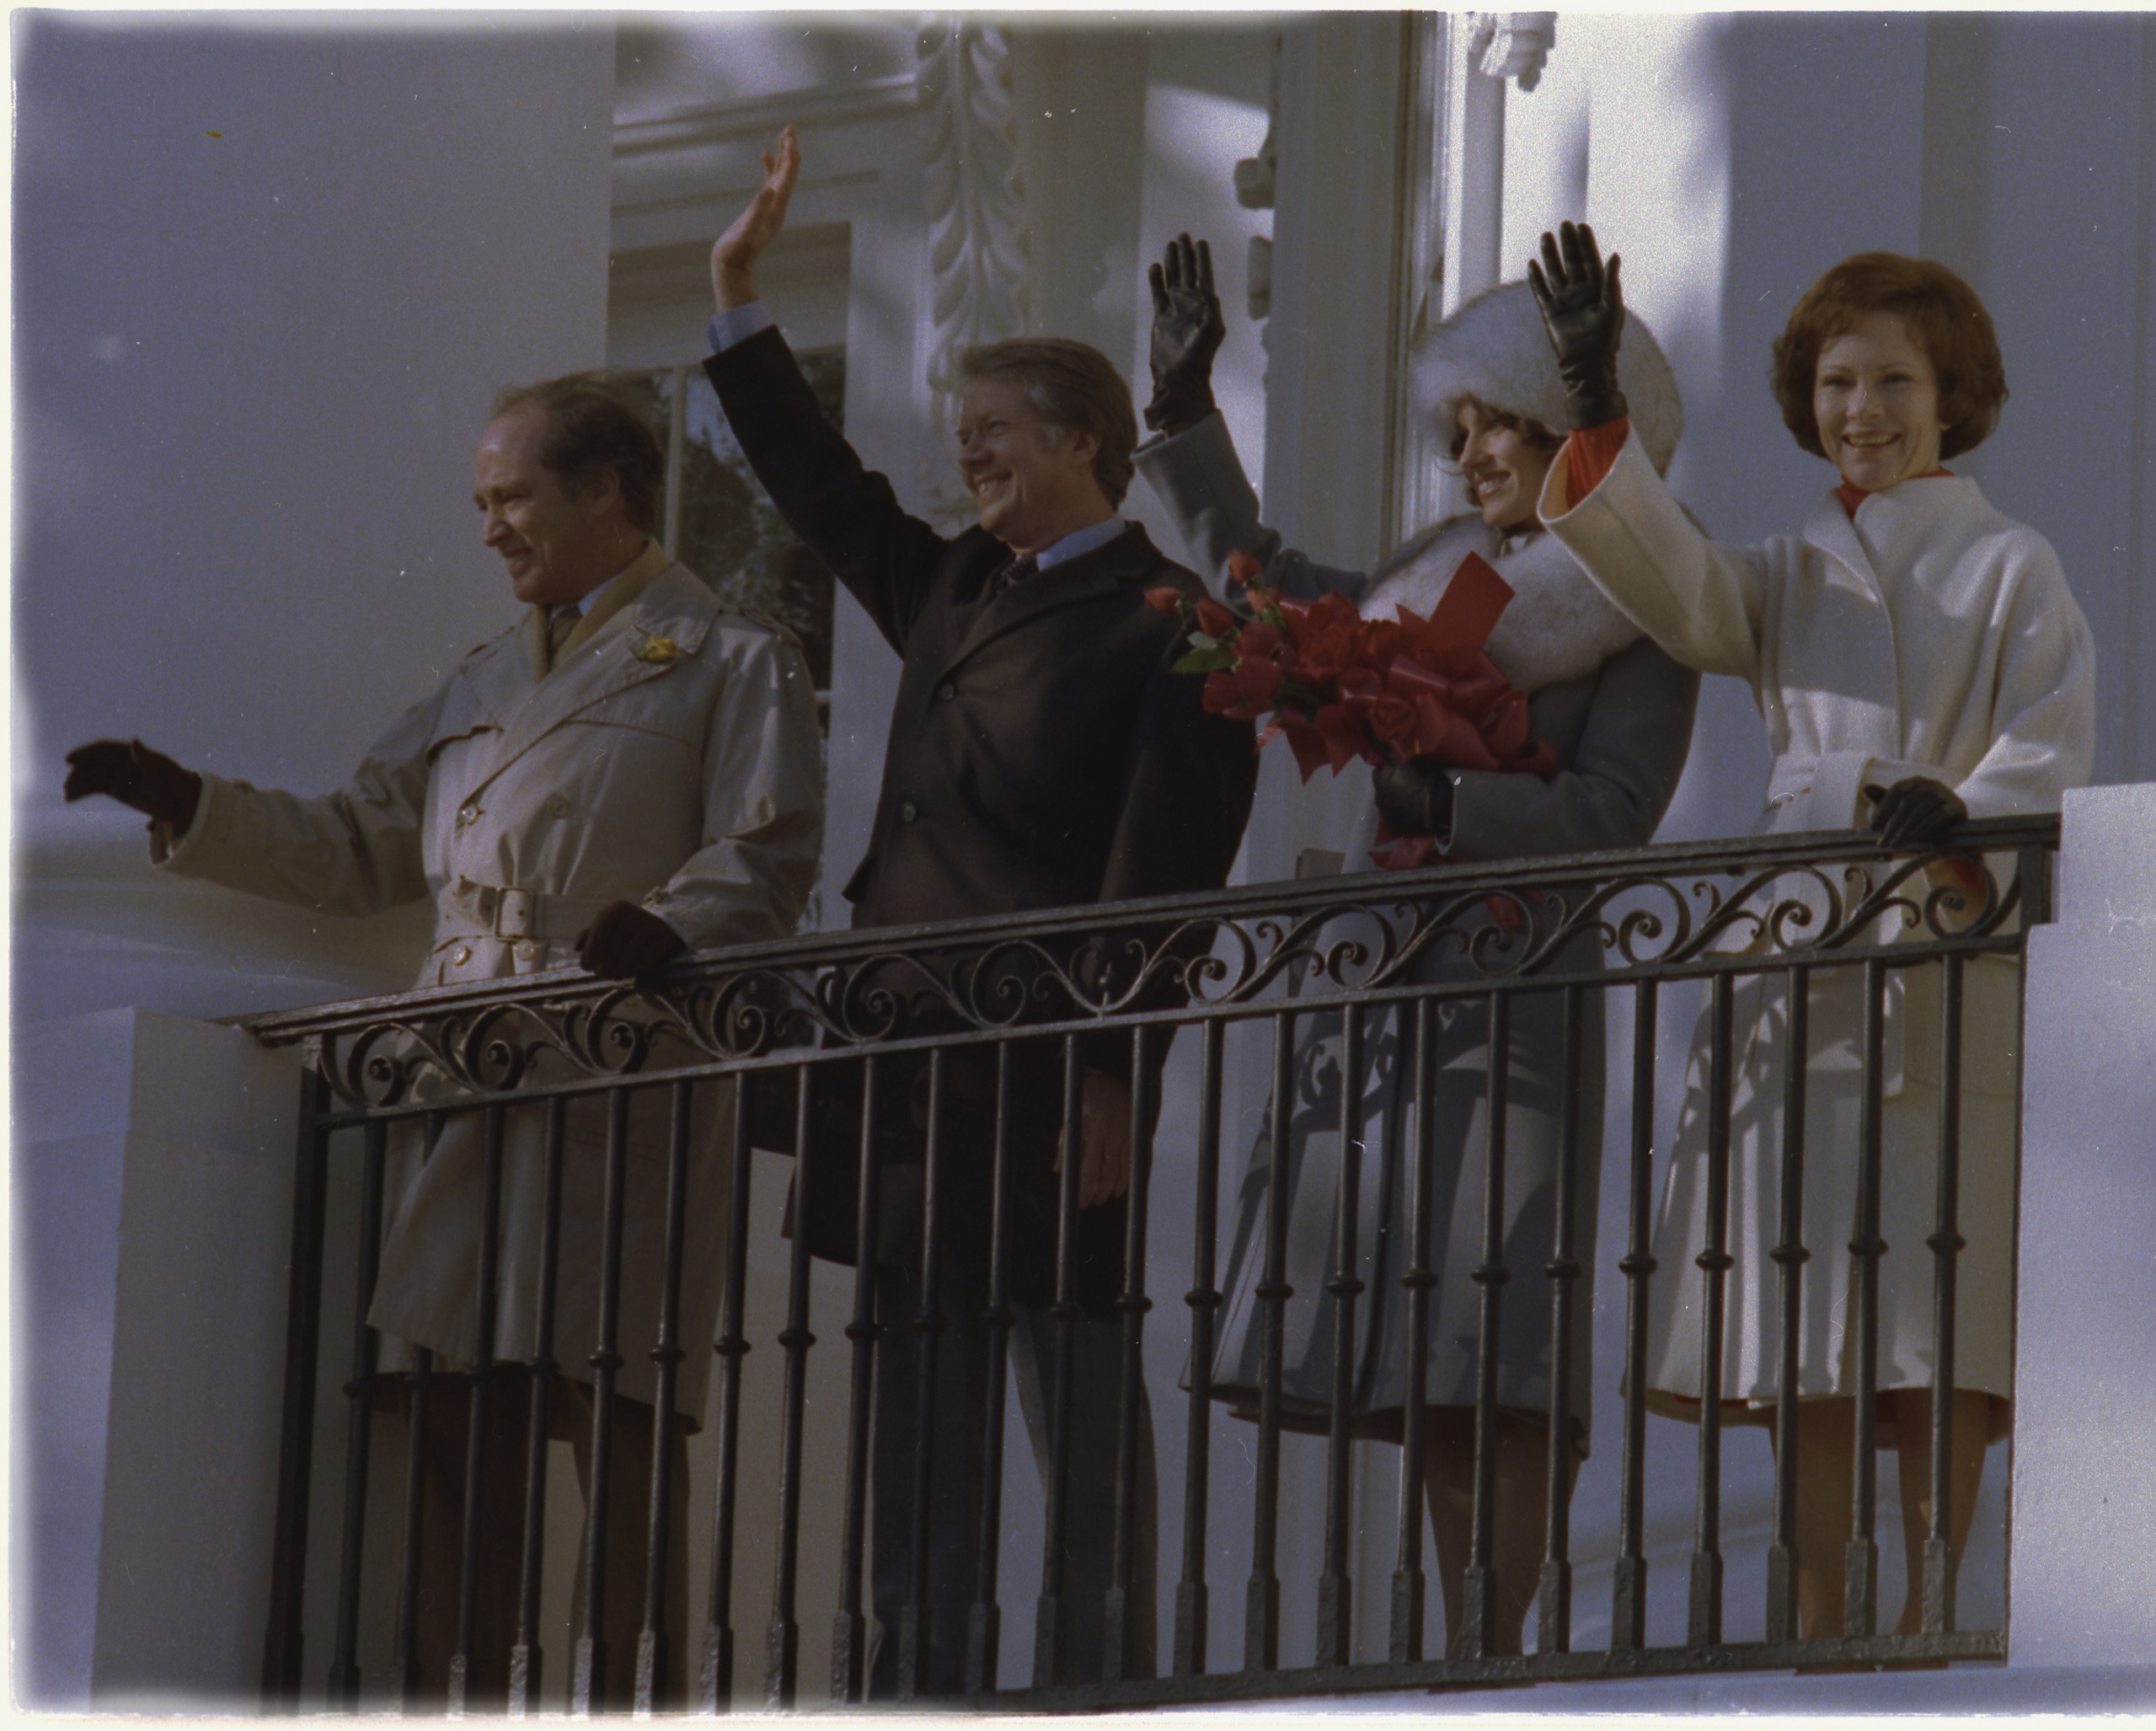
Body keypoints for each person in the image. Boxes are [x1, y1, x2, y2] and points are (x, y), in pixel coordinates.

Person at [63, 376, 827, 1706]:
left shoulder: (731, 656)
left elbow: (768, 854)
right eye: (480, 502)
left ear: (604, 491)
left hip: (619, 1069)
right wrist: (193, 802)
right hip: (463, 1071)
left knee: (620, 1416)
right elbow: (362, 842)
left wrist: (669, 918)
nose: (489, 528)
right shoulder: (479, 677)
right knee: (451, 1420)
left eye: (511, 495)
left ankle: (631, 1704)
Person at [702, 131, 1257, 1695]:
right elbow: (822, 493)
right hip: (900, 1057)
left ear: (1086, 441)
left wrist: (1111, 1071)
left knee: (1072, 1388)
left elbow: (1171, 872)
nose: (970, 459)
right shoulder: (952, 585)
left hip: (1039, 1061)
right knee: (913, 1402)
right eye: (963, 437)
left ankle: (1104, 1676)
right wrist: (740, 300)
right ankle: (912, 1687)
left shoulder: (1175, 622)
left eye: (998, 433)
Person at [1133, 236, 1703, 1657]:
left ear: (1558, 421)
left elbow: (1613, 816)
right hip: (1387, 999)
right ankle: (1455, 1654)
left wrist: (1450, 797)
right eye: (1454, 433)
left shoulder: (1648, 607)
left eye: (1487, 425)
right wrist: (1184, 415)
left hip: (1518, 1001)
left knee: (1497, 1347)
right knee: (1416, 1349)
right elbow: (1278, 598)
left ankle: (1492, 1651)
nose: (1463, 459)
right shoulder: (1437, 575)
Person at [1527, 226, 2096, 1640]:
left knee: (1933, 1306)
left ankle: (1928, 1603)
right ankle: (1822, 1606)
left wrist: (1959, 807)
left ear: (1952, 394)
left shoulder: (2014, 566)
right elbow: (1678, 593)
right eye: (1840, 381)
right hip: (1796, 966)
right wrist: (1598, 401)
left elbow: (2056, 746)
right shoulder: (1783, 568)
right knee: (1806, 1322)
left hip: (1947, 961)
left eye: (1895, 379)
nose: (1865, 410)